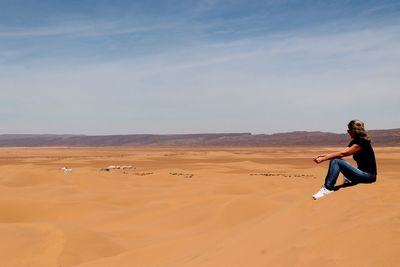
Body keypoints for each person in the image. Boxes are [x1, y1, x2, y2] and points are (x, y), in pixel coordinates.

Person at [312, 120, 377, 200]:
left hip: (368, 176)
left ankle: (328, 188)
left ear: (354, 130)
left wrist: (323, 159)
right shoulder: (355, 141)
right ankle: (348, 179)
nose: (348, 132)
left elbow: (344, 154)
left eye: (349, 130)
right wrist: (324, 155)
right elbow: (342, 152)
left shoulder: (362, 142)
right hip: (360, 174)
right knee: (337, 159)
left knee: (336, 161)